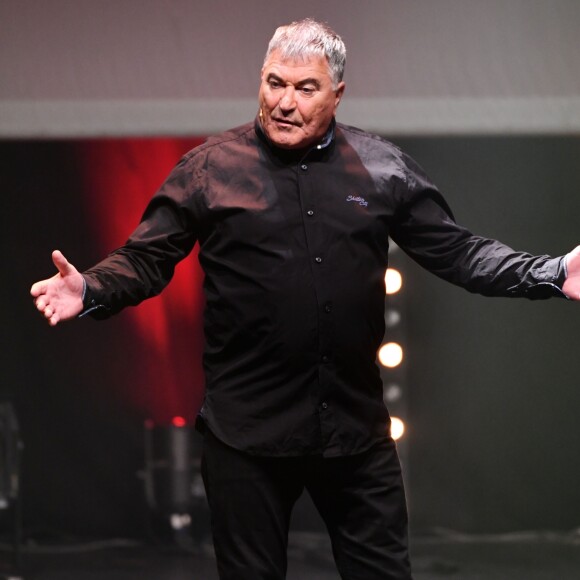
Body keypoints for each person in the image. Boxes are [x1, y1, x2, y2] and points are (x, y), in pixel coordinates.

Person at [31, 18, 580, 580]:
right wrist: (91, 286)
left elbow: (459, 252)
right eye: (274, 83)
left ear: (337, 93)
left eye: (305, 88)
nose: (284, 102)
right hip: (246, 438)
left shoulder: (381, 168)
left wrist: (553, 273)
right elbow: (146, 258)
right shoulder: (209, 170)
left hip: (354, 432)